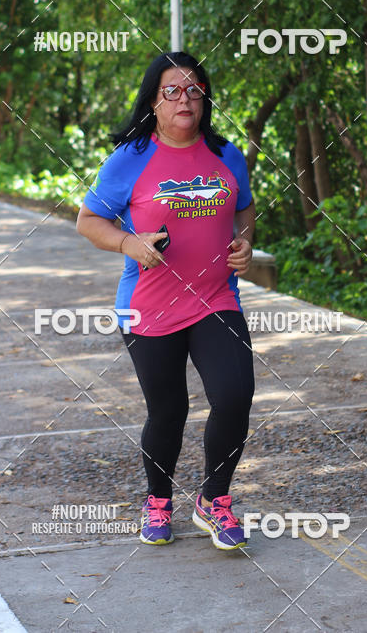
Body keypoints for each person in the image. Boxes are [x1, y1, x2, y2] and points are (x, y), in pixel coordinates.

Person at [76, 52, 256, 551]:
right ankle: (158, 500)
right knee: (168, 410)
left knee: (235, 396)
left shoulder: (226, 154)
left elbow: (244, 210)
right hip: (149, 304)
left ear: (205, 99)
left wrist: (242, 244)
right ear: (154, 102)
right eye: (172, 91)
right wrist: (128, 244)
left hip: (216, 298)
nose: (185, 99)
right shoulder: (130, 158)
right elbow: (89, 221)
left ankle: (214, 499)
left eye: (194, 90)